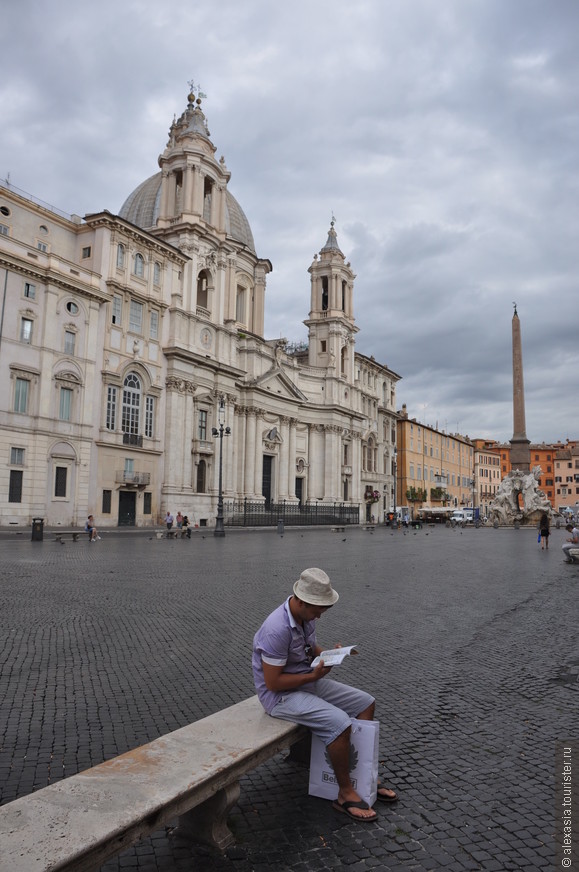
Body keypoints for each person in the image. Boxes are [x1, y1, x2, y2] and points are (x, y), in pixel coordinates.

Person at [252, 567, 397, 823]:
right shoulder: (276, 629)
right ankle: (345, 793)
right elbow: (273, 682)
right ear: (302, 602)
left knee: (366, 702)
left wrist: (329, 655)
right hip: (280, 697)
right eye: (319, 609)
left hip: (304, 681)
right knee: (339, 722)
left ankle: (361, 778)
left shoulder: (305, 617)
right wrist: (313, 676)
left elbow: (310, 649)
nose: (321, 615)